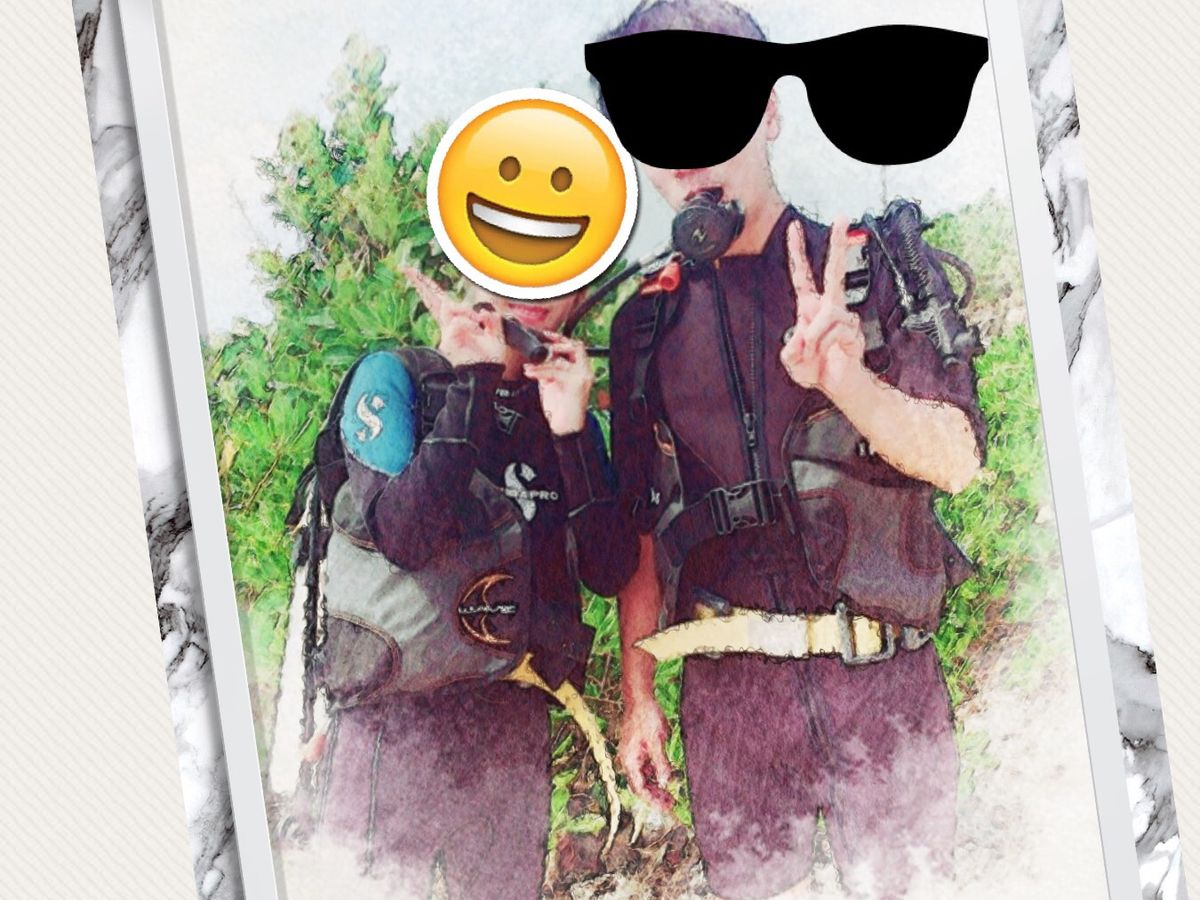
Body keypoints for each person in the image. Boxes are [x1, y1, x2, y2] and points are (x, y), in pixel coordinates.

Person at [600, 2, 986, 897]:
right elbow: (644, 530)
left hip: (884, 688)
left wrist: (848, 381)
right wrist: (639, 696)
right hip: (732, 710)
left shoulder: (872, 264)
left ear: (769, 109)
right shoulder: (643, 324)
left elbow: (958, 458)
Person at [275, 272, 638, 898]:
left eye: (560, 271)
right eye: (509, 262)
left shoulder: (564, 407)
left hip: (511, 726)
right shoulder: (396, 380)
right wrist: (469, 383)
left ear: (581, 296)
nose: (534, 285)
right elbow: (405, 534)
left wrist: (573, 434)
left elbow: (608, 571)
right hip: (392, 723)